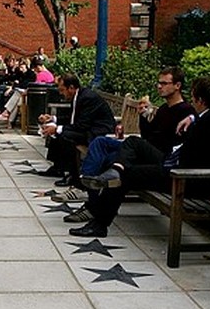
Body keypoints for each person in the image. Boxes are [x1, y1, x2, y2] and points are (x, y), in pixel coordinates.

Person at [68, 77, 210, 238]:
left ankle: (99, 223)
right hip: (174, 164)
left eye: (193, 98)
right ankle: (115, 171)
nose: (192, 102)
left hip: (183, 176)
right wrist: (192, 118)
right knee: (131, 145)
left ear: (200, 100)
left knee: (127, 174)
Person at [53, 66, 193, 208]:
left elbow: (173, 143)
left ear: (177, 86)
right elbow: (148, 134)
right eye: (159, 83)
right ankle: (85, 185)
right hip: (145, 147)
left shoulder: (186, 111)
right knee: (100, 142)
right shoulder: (164, 108)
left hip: (161, 157)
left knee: (114, 155)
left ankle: (86, 192)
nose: (159, 86)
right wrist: (143, 116)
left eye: (164, 83)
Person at [36, 73, 116, 186]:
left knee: (65, 135)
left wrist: (57, 129)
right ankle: (58, 168)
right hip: (88, 129)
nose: (61, 93)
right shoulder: (78, 96)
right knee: (58, 131)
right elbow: (73, 118)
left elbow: (81, 125)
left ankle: (73, 175)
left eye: (62, 90)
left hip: (97, 134)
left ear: (71, 88)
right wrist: (53, 119)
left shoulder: (87, 98)